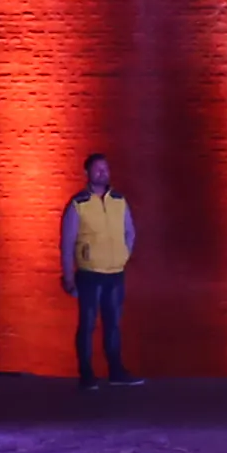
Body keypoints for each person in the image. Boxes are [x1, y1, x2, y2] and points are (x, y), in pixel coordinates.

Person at [59, 154, 136, 387]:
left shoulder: (119, 200)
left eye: (105, 168)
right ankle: (86, 373)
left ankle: (115, 371)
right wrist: (69, 277)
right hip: (90, 274)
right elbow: (67, 242)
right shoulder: (78, 204)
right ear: (87, 174)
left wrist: (123, 255)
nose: (102, 173)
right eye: (97, 169)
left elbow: (130, 232)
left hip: (115, 273)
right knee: (88, 324)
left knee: (113, 324)